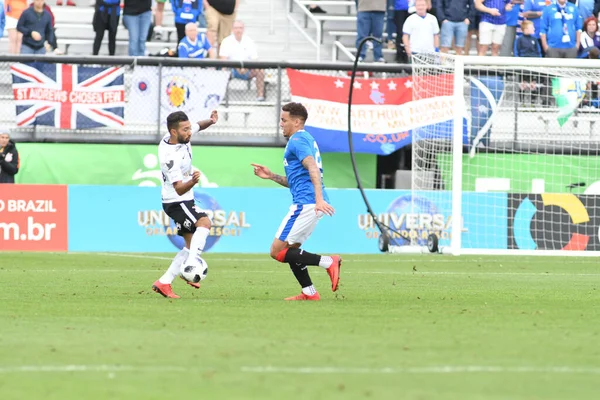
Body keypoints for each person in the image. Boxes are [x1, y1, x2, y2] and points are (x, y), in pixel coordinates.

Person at [250, 102, 341, 301]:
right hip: (311, 201)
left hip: (307, 203)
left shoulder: (297, 141)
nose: (281, 124)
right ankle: (309, 292)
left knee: (276, 251)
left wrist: (317, 200)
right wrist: (272, 176)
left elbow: (313, 169)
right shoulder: (305, 138)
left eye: (284, 120)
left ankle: (328, 261)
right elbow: (296, 181)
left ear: (297, 121)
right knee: (292, 251)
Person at [152, 110, 219, 299]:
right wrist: (193, 181)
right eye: (185, 129)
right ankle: (192, 264)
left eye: (189, 128)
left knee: (189, 246)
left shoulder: (181, 136)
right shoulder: (169, 157)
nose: (190, 132)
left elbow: (199, 125)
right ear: (174, 132)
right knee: (205, 223)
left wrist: (211, 121)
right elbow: (179, 188)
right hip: (177, 200)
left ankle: (164, 282)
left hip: (182, 200)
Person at [219, 20, 265, 101]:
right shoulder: (226, 41)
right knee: (223, 69)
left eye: (240, 28)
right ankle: (222, 95)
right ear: (232, 29)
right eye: (236, 28)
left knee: (260, 71)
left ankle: (260, 96)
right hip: (231, 69)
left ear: (243, 29)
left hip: (248, 69)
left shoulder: (249, 41)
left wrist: (246, 68)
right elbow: (223, 59)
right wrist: (237, 68)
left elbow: (255, 59)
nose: (238, 30)